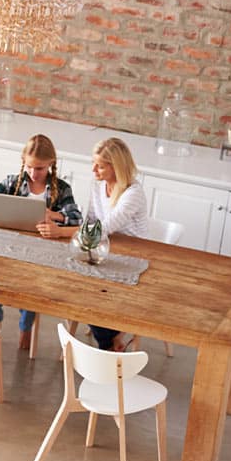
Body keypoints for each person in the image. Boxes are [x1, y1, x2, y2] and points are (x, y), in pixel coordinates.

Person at [0, 134, 83, 349]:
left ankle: (26, 327)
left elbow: (77, 218)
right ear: (23, 161)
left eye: (40, 168)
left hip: (40, 254)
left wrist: (56, 216)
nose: (34, 173)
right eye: (30, 166)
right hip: (7, 247)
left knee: (31, 289)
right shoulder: (12, 182)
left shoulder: (61, 189)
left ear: (51, 164)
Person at [39, 137, 149, 351]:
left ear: (116, 166)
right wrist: (59, 218)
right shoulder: (98, 186)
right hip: (103, 249)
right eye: (94, 163)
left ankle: (109, 344)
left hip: (132, 254)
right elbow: (89, 222)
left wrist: (61, 232)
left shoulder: (133, 193)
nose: (93, 170)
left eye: (100, 165)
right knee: (77, 286)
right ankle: (113, 337)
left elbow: (103, 228)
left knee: (88, 291)